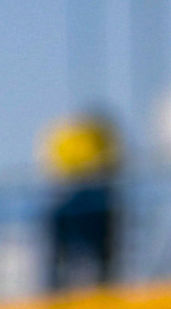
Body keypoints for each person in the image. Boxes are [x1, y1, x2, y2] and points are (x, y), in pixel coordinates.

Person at [41, 106, 122, 293]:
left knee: (67, 254)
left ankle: (57, 286)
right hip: (86, 204)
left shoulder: (68, 207)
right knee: (100, 256)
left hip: (79, 203)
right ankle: (102, 282)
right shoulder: (99, 202)